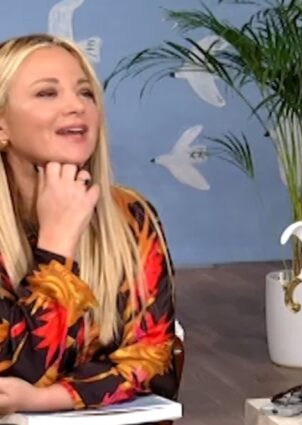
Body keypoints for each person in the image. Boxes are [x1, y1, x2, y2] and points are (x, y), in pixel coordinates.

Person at [0, 34, 178, 414]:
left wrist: (44, 400)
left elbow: (153, 361)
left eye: (85, 93)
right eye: (47, 93)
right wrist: (56, 247)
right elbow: (14, 371)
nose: (76, 106)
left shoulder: (131, 216)